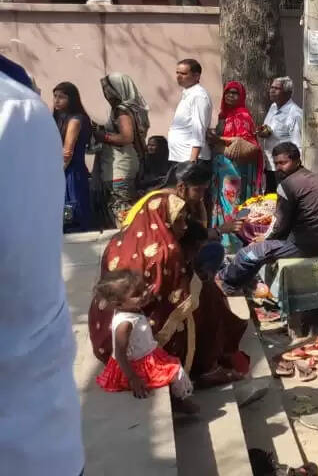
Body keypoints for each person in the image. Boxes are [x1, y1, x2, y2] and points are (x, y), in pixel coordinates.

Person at [89, 161, 249, 386]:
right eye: (199, 191)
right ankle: (203, 366)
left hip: (138, 278)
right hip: (138, 291)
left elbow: (191, 235)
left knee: (207, 285)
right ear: (182, 187)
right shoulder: (164, 248)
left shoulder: (164, 206)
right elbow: (172, 268)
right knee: (204, 299)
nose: (202, 196)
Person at [1, 65, 84, 476]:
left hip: (28, 437)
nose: (56, 101)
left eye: (61, 96)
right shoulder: (21, 111)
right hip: (41, 435)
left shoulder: (14, 111)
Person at [217, 143, 318, 293]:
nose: (278, 167)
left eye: (283, 163)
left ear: (296, 161)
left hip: (304, 245)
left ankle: (224, 283)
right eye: (276, 163)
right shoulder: (312, 177)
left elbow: (280, 223)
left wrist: (266, 239)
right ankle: (239, 282)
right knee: (256, 252)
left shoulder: (288, 185)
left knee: (247, 253)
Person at [93, 270, 198, 413]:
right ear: (119, 303)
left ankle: (177, 398)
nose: (144, 294)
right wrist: (133, 378)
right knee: (175, 370)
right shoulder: (125, 324)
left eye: (143, 290)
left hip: (147, 356)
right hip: (138, 366)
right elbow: (120, 354)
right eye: (136, 294)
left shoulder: (131, 309)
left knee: (173, 365)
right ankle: (179, 401)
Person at [96, 73, 151, 227]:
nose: (107, 94)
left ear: (119, 89)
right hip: (130, 162)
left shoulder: (122, 110)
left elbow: (126, 137)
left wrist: (102, 136)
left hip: (119, 166)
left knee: (122, 212)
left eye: (109, 90)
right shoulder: (136, 108)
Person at [210, 81, 263, 231]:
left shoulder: (243, 115)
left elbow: (244, 141)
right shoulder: (224, 115)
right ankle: (221, 234)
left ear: (241, 96)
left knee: (232, 200)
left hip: (235, 167)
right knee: (221, 199)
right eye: (228, 92)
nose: (230, 95)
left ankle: (234, 239)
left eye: (235, 93)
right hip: (222, 165)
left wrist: (219, 139)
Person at [52, 81, 94, 232]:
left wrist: (55, 174)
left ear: (72, 99)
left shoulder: (75, 119)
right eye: (55, 96)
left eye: (61, 97)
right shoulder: (59, 118)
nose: (56, 100)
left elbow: (67, 153)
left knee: (72, 210)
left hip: (71, 171)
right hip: (63, 170)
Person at [259, 77, 303, 192]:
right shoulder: (273, 107)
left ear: (287, 93)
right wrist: (264, 132)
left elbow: (297, 145)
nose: (272, 90)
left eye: (276, 88)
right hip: (269, 164)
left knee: (282, 202)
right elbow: (269, 128)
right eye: (271, 87)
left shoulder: (295, 113)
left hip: (284, 169)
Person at [168, 59, 213, 169]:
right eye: (177, 73)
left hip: (191, 159)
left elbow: (199, 128)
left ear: (196, 76)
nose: (178, 76)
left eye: (183, 73)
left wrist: (192, 161)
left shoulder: (198, 95)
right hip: (181, 157)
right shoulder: (188, 93)